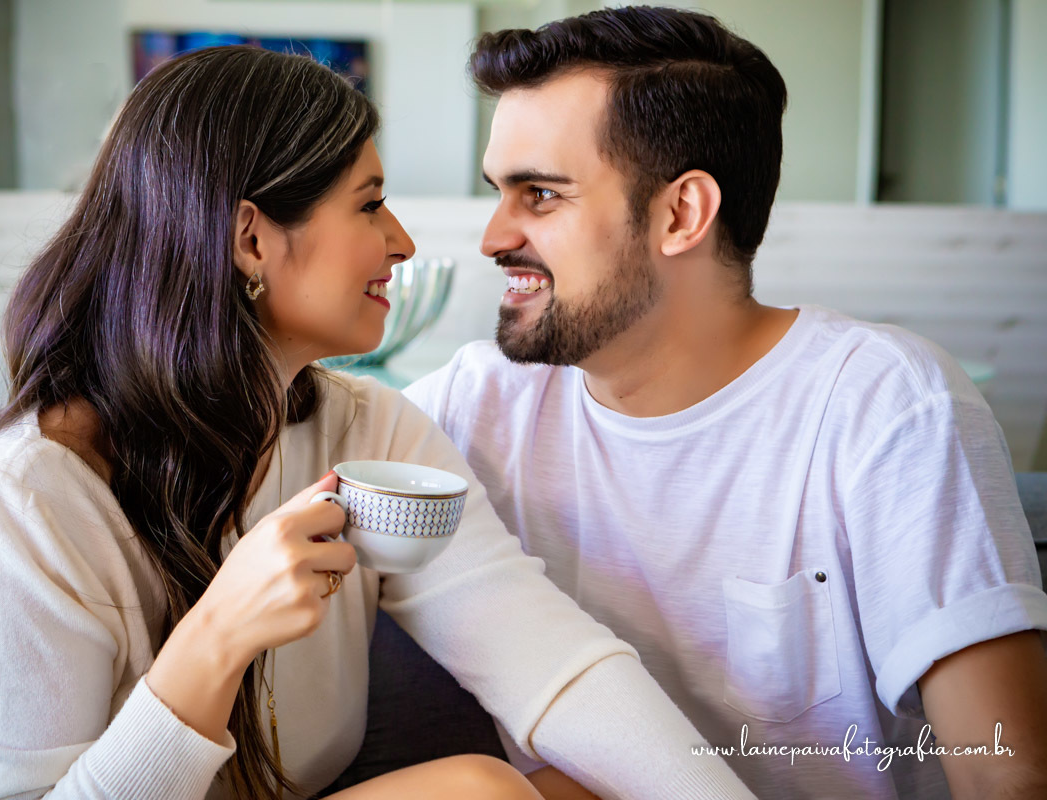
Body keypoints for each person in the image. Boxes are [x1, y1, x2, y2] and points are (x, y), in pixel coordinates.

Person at [0, 44, 757, 800]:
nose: (403, 240)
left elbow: (551, 664)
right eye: (369, 204)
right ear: (252, 238)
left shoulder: (374, 436)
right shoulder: (22, 501)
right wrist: (215, 639)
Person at [398, 6, 1047, 799]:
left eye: (540, 194)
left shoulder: (883, 405)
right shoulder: (479, 402)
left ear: (682, 214)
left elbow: (1006, 775)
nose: (494, 236)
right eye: (499, 192)